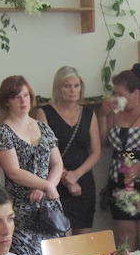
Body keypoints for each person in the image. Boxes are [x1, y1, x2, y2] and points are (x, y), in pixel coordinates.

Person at [0, 75, 65, 255]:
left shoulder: (43, 127)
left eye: (26, 95)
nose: (23, 100)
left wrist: (46, 188)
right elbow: (13, 171)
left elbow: (57, 164)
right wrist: (45, 185)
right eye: (16, 96)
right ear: (7, 101)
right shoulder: (3, 131)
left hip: (48, 204)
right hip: (21, 206)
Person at [97, 63, 140, 250]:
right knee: (124, 237)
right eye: (115, 93)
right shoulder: (115, 112)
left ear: (135, 93)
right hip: (119, 180)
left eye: (121, 94)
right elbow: (103, 142)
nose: (117, 98)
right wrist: (102, 116)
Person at [38, 66, 100, 235]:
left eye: (76, 85)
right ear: (58, 88)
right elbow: (45, 151)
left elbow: (96, 152)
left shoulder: (88, 114)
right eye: (67, 86)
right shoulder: (45, 112)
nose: (72, 90)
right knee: (62, 234)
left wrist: (76, 175)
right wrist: (67, 178)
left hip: (84, 180)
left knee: (85, 237)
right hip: (56, 180)